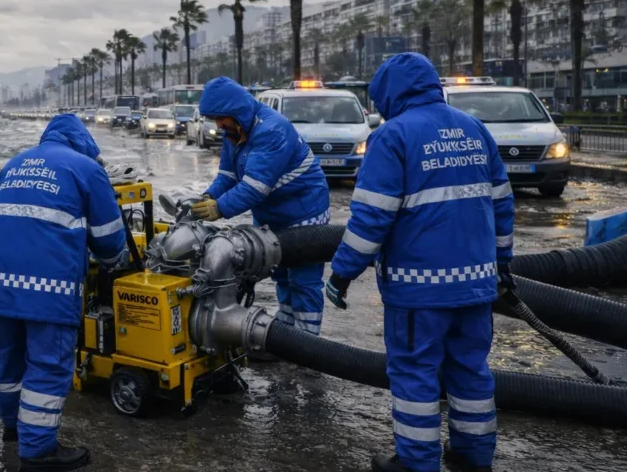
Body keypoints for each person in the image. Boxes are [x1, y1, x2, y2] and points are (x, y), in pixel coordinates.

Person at [324, 53, 515, 472]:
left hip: (419, 289)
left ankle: (416, 463)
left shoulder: (392, 137)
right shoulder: (474, 129)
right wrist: (502, 264)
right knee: (471, 373)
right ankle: (473, 457)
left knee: (414, 376)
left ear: (390, 95)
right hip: (477, 285)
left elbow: (371, 218)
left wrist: (342, 272)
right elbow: (502, 204)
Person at [0, 113, 129, 472]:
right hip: (47, 286)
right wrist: (113, 260)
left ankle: (13, 430)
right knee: (48, 362)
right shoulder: (87, 169)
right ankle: (38, 451)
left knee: (7, 357)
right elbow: (109, 239)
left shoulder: (15, 162)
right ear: (84, 142)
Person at [190, 76, 331, 335]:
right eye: (214, 119)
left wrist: (218, 209)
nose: (219, 125)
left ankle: (308, 343)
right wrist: (208, 197)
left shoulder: (272, 130)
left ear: (236, 111)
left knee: (303, 279)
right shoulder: (235, 132)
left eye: (221, 118)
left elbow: (254, 188)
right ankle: (288, 334)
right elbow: (228, 177)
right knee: (280, 275)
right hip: (272, 216)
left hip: (304, 212)